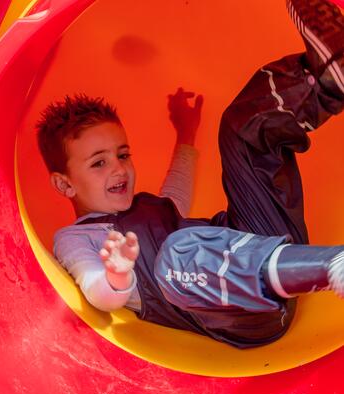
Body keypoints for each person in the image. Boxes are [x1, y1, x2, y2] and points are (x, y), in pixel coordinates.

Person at [36, 0, 344, 348]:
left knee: (239, 130)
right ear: (64, 183)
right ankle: (331, 264)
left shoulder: (152, 209)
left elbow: (177, 187)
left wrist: (185, 131)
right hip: (245, 313)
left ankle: (327, 78)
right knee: (179, 251)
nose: (119, 167)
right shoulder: (75, 238)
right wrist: (119, 272)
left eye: (123, 154)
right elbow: (97, 292)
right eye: (99, 163)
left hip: (268, 246)